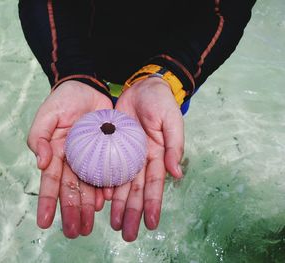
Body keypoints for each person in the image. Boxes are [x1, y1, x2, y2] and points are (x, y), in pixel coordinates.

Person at [18, 0, 256, 242]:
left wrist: (172, 72)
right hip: (85, 56)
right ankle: (165, 155)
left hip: (166, 69)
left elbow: (228, 8)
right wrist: (70, 70)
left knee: (161, 119)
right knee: (157, 121)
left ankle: (167, 157)